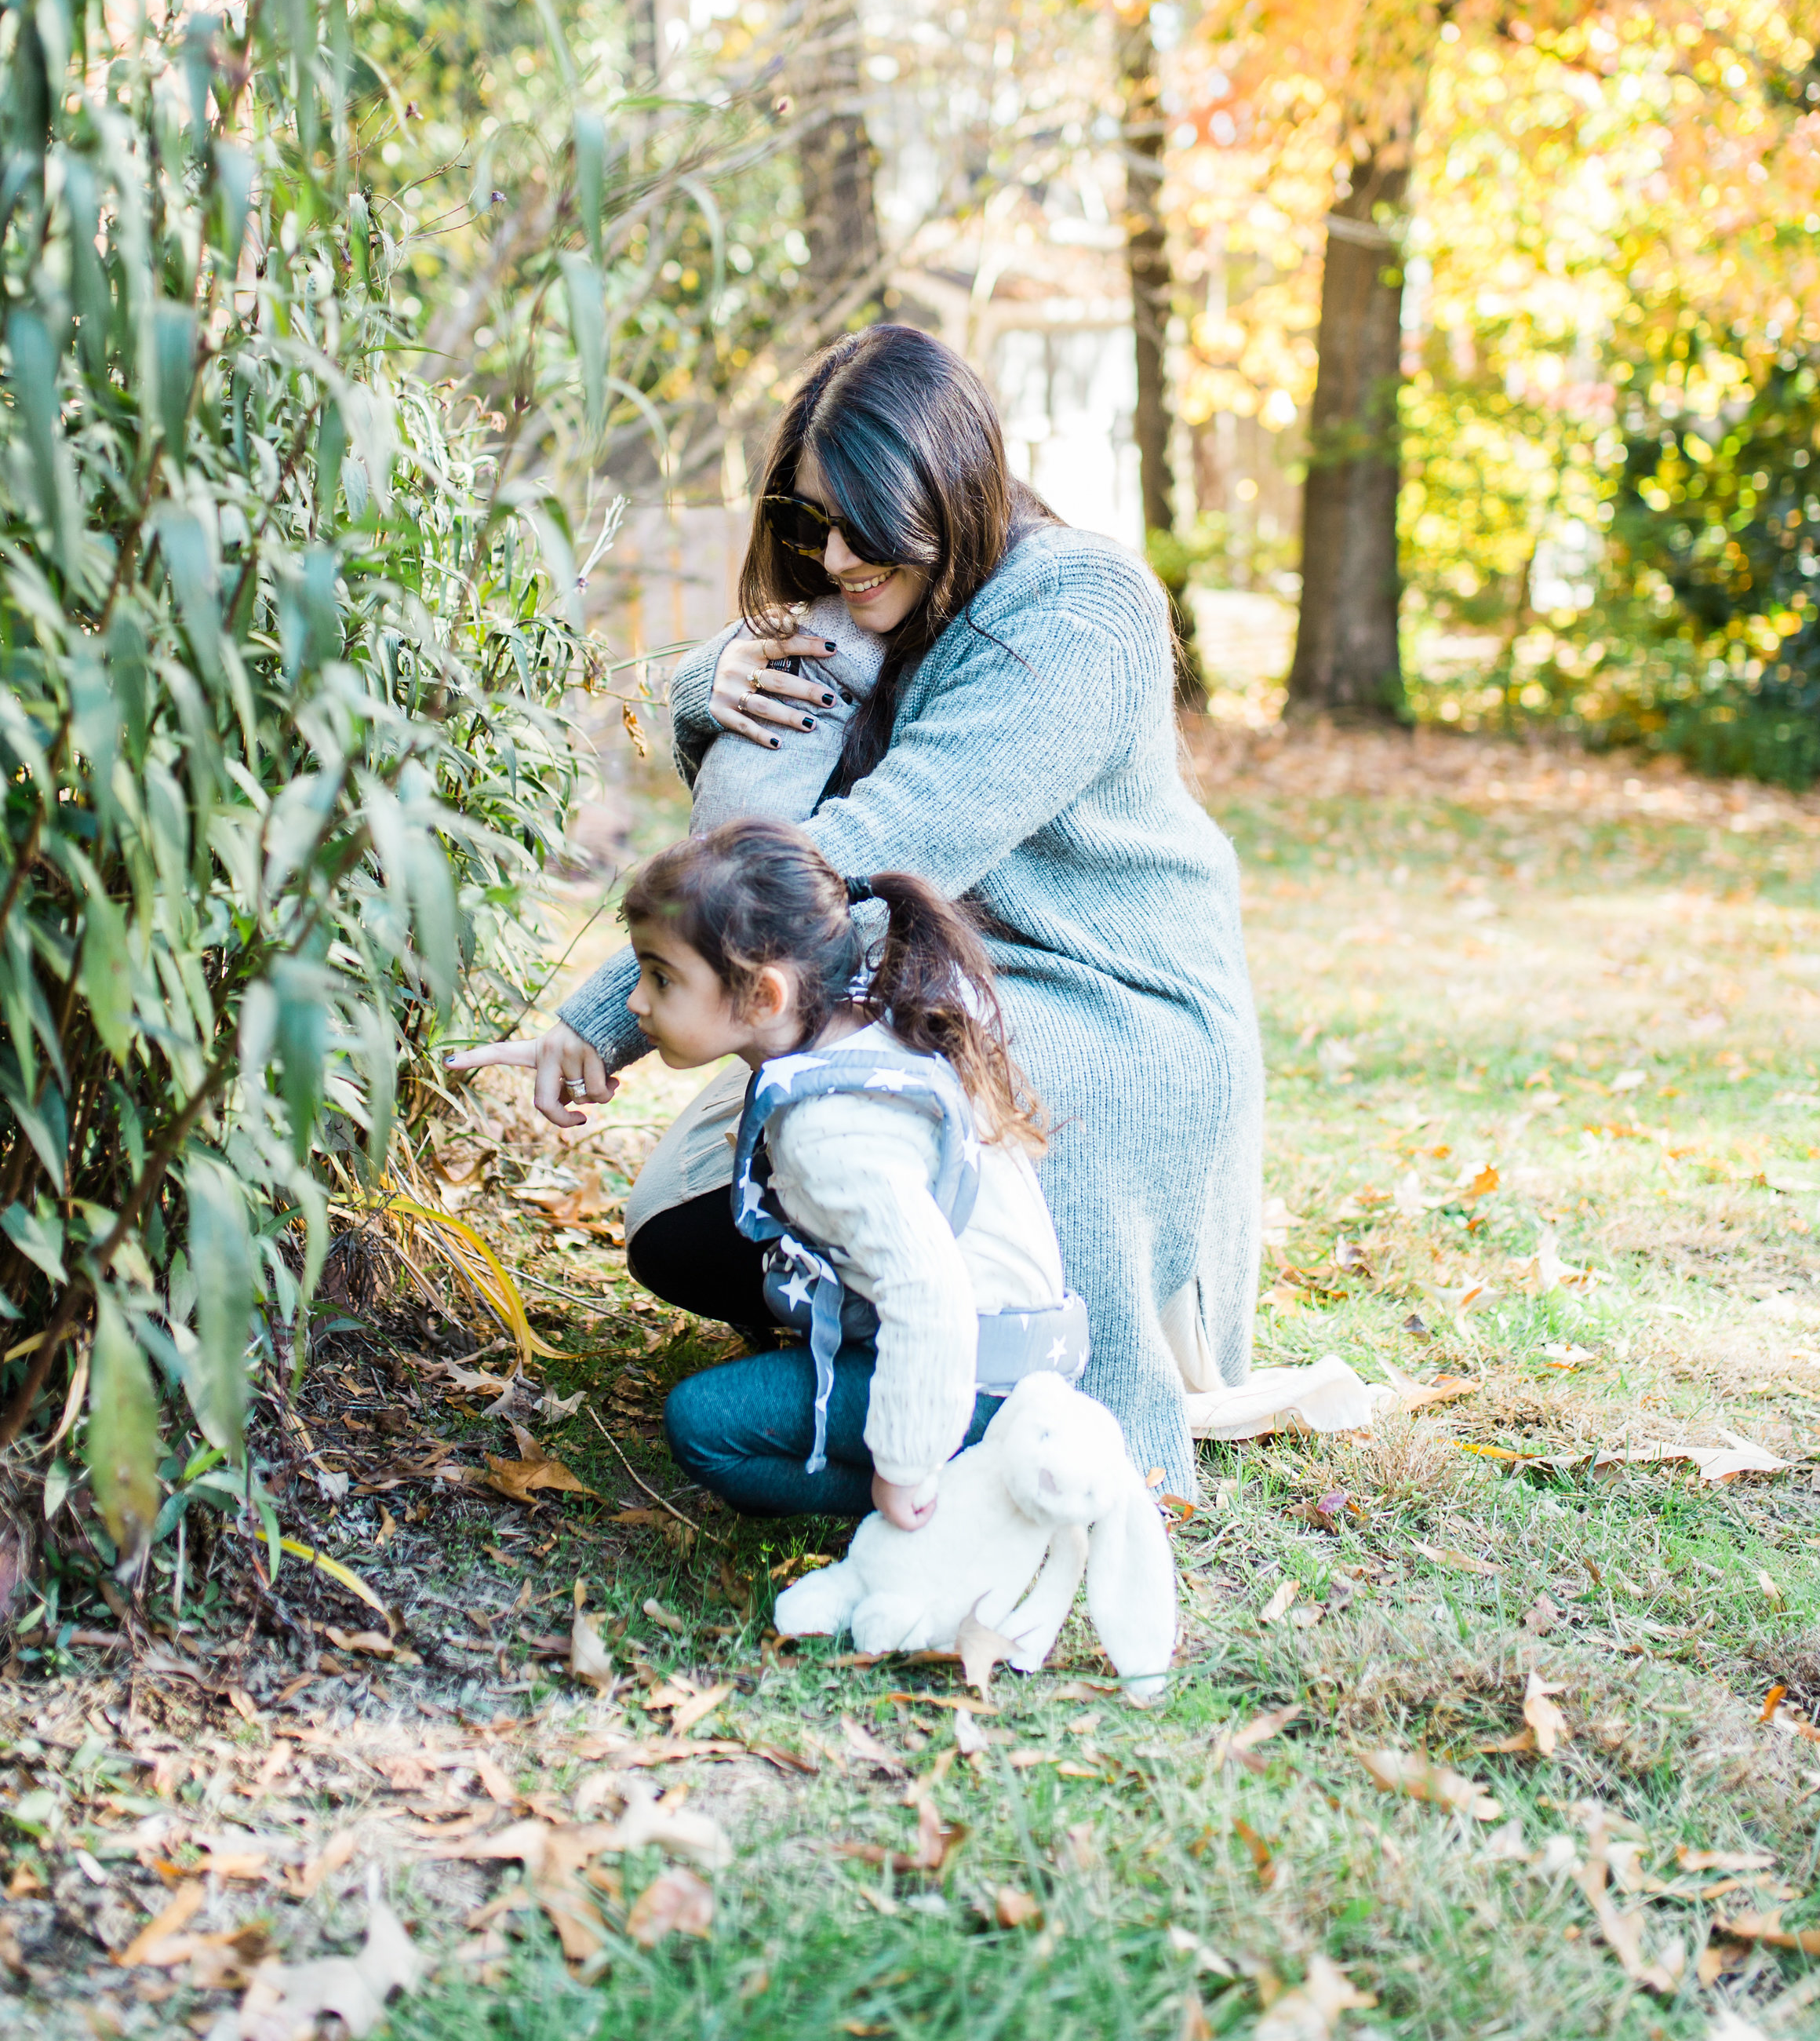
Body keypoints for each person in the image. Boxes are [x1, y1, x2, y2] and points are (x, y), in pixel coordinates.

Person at [453, 323, 1261, 1501]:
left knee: (908, 1125)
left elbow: (883, 841)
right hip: (924, 981)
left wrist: (605, 1018)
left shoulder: (1080, 609)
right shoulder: (882, 604)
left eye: (865, 523)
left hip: (1108, 999)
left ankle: (1018, 1428)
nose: (831, 556)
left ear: (952, 487)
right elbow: (775, 820)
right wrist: (712, 679)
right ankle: (895, 1336)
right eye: (802, 522)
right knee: (695, 1202)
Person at [615, 818, 1085, 1520]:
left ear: (764, 996)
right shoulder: (876, 1019)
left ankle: (963, 1502)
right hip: (1021, 1354)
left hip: (975, 1378)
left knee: (702, 1425)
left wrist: (904, 1466)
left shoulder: (829, 1130)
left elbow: (930, 1299)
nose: (636, 1002)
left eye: (661, 978)